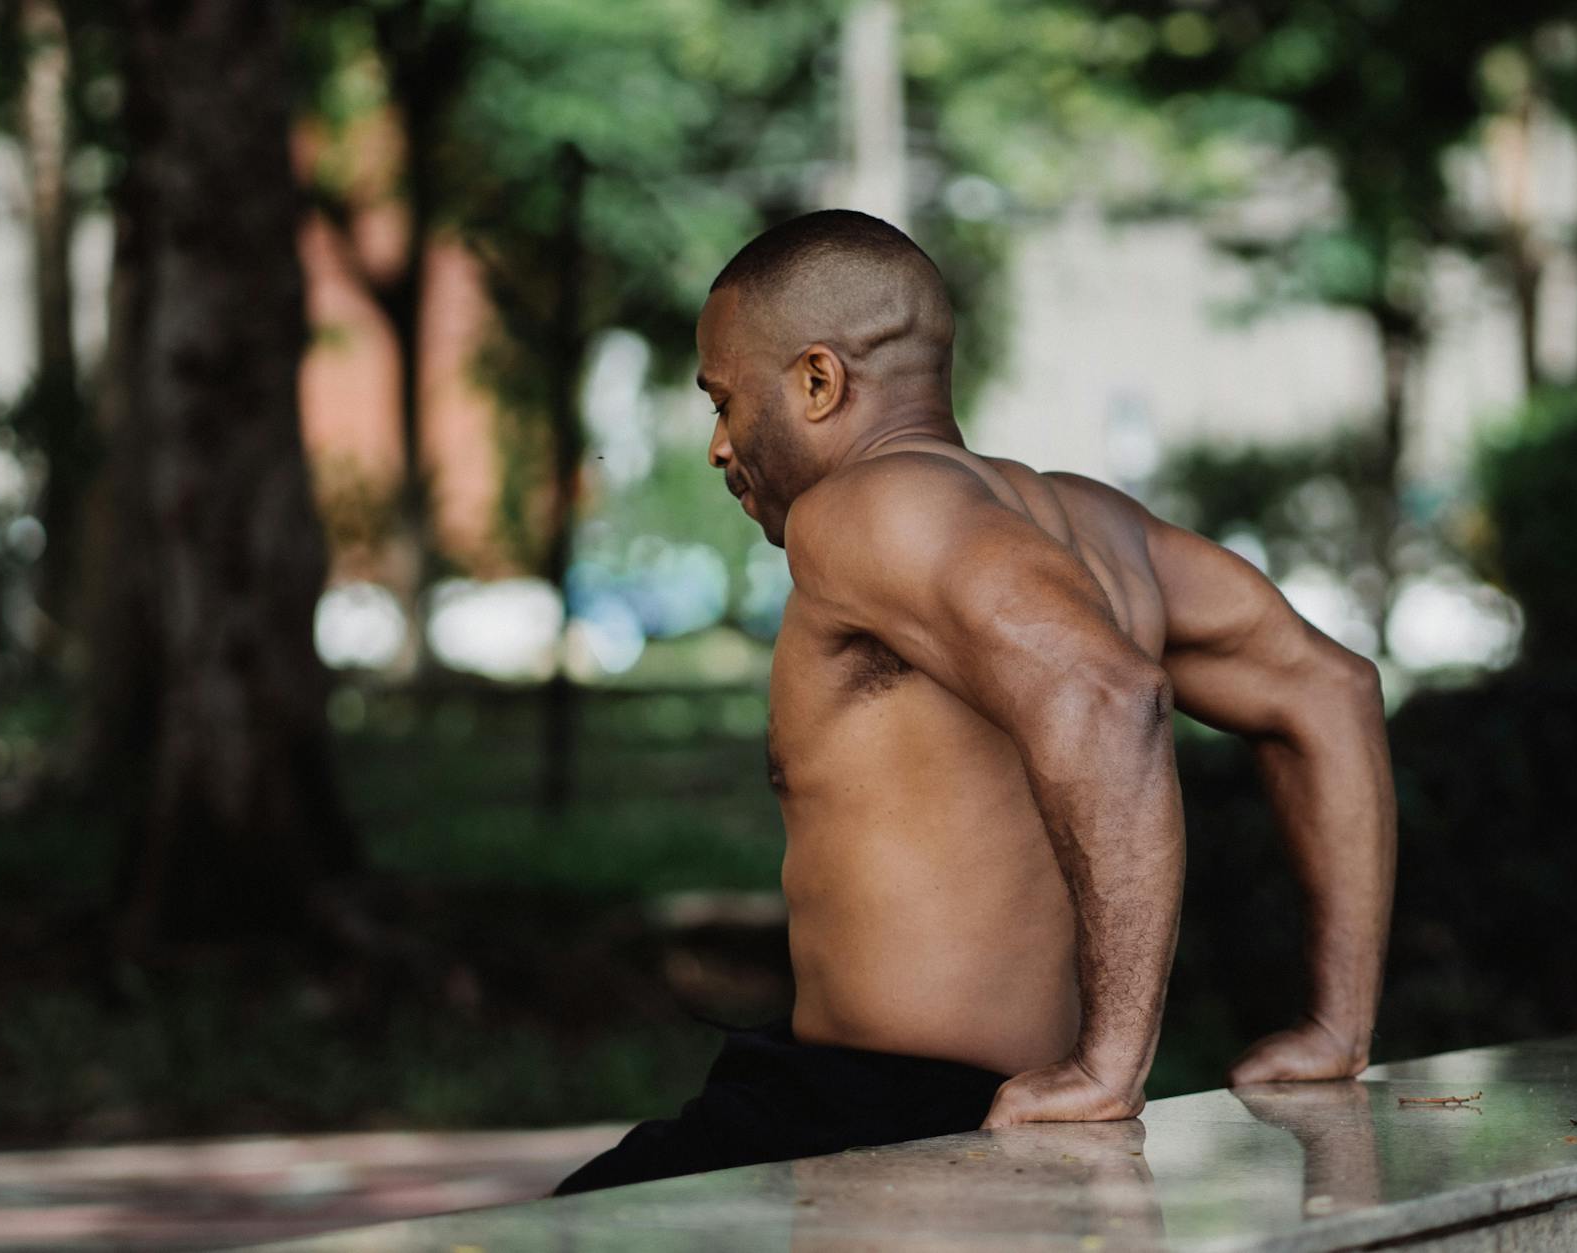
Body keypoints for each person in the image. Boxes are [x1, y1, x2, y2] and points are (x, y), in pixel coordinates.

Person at [551, 209, 1396, 1197]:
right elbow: (1327, 689)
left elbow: (1108, 694)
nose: (716, 445)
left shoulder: (859, 508)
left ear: (818, 382)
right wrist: (1337, 1024)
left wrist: (1108, 1067)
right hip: (956, 1106)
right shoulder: (1094, 524)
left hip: (872, 1110)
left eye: (724, 400)